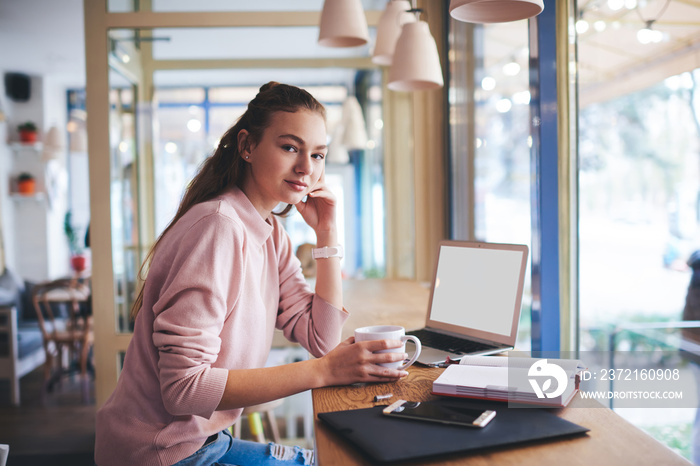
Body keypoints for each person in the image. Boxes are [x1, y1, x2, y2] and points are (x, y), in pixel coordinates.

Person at [94, 82, 409, 466]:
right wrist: (324, 372)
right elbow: (183, 388)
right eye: (290, 147)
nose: (306, 168)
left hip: (204, 441)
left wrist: (327, 234)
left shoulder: (269, 231)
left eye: (318, 154)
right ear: (247, 146)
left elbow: (321, 337)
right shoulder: (218, 228)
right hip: (162, 453)